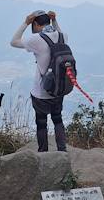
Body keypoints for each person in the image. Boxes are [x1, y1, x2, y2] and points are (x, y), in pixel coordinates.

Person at [10, 10, 67, 152]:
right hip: (58, 89)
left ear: (35, 23)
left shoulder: (36, 40)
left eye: (32, 25)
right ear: (49, 21)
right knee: (58, 120)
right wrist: (55, 21)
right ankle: (62, 151)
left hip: (41, 92)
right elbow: (59, 35)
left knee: (41, 124)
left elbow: (14, 42)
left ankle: (43, 154)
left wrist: (25, 23)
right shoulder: (63, 36)